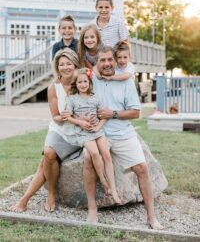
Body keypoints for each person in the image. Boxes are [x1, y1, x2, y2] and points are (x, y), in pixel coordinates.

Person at [83, 46, 163, 230]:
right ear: (97, 63)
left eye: (110, 59)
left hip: (122, 132)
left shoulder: (125, 80)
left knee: (142, 168)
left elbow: (136, 113)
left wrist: (113, 114)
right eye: (102, 60)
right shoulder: (91, 79)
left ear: (116, 60)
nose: (107, 63)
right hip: (97, 133)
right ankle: (92, 209)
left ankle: (151, 216)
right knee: (88, 158)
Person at [10, 49, 82, 212]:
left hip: (78, 132)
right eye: (61, 64)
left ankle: (26, 199)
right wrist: (63, 117)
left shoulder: (83, 81)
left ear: (75, 64)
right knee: (49, 154)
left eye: (68, 63)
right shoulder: (53, 87)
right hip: (60, 129)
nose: (65, 67)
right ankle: (50, 193)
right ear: (57, 67)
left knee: (44, 163)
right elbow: (55, 116)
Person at [66, 68, 121, 205]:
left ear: (89, 83)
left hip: (97, 131)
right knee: (95, 153)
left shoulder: (96, 98)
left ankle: (113, 190)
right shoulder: (72, 99)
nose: (83, 84)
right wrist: (81, 122)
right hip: (83, 133)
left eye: (85, 81)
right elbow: (68, 117)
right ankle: (104, 182)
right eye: (80, 82)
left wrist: (97, 127)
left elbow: (103, 117)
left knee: (106, 155)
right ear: (76, 84)